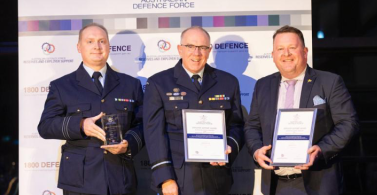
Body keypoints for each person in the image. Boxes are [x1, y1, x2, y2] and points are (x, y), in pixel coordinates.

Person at [244, 25, 359, 195]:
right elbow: (252, 126)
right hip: (276, 184)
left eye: (292, 48)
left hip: (318, 182)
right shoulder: (262, 85)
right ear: (273, 55)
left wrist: (321, 149)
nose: (286, 54)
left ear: (304, 51)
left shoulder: (329, 82)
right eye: (280, 49)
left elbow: (348, 123)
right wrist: (256, 150)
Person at [38, 23, 144, 195]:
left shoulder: (130, 84)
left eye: (102, 41)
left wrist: (128, 144)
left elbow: (143, 124)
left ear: (109, 47)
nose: (97, 46)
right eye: (90, 41)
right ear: (79, 47)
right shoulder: (61, 86)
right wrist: (80, 125)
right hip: (79, 181)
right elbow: (45, 126)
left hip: (119, 178)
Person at [143, 26, 244, 195]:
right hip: (178, 179)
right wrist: (165, 178)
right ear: (180, 49)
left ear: (209, 50)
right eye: (190, 47)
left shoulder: (228, 82)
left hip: (217, 178)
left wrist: (229, 147)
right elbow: (154, 135)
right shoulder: (158, 83)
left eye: (203, 48)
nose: (196, 53)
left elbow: (237, 125)